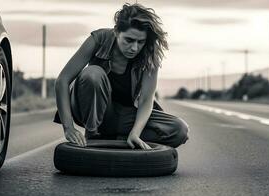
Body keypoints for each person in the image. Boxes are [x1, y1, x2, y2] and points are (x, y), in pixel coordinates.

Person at [53, 3, 189, 149]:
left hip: (124, 116)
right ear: (117, 31)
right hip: (89, 110)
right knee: (93, 74)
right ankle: (93, 133)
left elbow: (145, 100)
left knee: (179, 130)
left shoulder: (150, 55)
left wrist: (136, 133)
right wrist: (68, 127)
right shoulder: (98, 39)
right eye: (129, 40)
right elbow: (62, 81)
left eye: (140, 41)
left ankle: (117, 136)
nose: (134, 48)